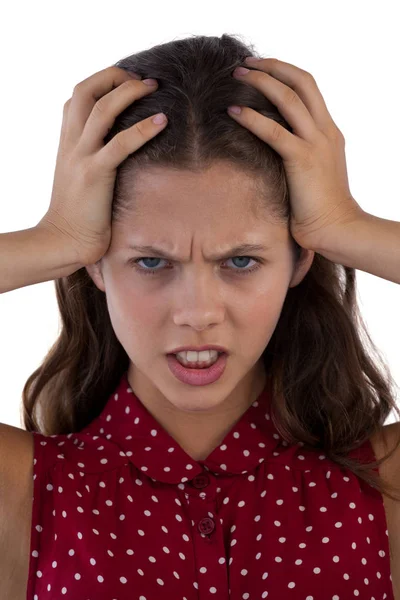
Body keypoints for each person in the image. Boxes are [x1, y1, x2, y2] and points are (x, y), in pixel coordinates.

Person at [1, 34, 400, 599]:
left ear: (299, 258)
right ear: (92, 263)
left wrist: (344, 225)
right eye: (150, 261)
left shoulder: (381, 490)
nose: (197, 314)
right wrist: (54, 238)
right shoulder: (24, 490)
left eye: (240, 260)